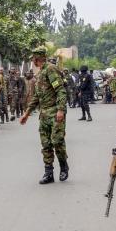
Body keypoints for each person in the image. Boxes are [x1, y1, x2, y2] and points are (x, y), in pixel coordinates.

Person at [20, 47, 69, 184]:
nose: (33, 61)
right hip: (44, 115)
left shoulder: (50, 69)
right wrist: (27, 113)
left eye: (33, 58)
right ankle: (49, 173)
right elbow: (36, 96)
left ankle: (64, 167)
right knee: (46, 144)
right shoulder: (40, 73)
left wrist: (60, 110)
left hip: (55, 113)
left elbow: (60, 90)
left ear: (38, 58)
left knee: (57, 141)